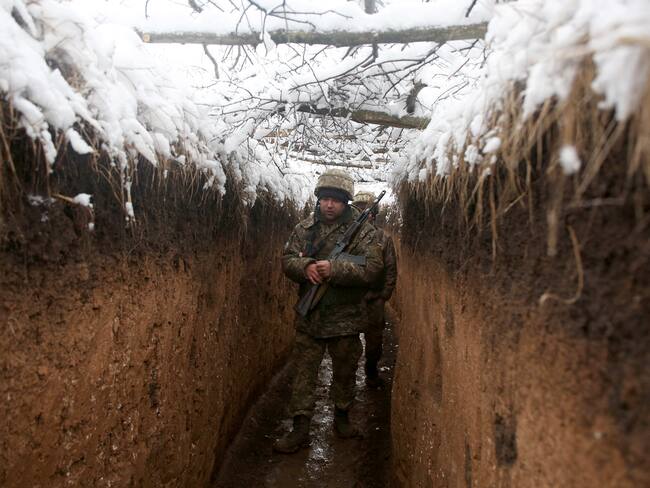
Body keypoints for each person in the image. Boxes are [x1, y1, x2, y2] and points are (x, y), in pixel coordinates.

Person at [274, 169, 383, 454]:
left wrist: (335, 269)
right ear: (318, 199)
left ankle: (342, 418)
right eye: (325, 198)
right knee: (304, 373)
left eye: (336, 199)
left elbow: (372, 269)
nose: (330, 204)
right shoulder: (304, 229)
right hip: (310, 318)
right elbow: (287, 259)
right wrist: (305, 267)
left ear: (346, 202)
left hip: (346, 321)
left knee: (345, 372)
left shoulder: (365, 233)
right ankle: (300, 427)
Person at [352, 191, 397, 388]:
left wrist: (383, 296)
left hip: (374, 299)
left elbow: (390, 269)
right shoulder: (349, 236)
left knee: (374, 343)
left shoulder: (383, 239)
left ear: (374, 214)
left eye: (368, 210)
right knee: (347, 343)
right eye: (360, 209)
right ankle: (346, 380)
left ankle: (371, 373)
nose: (364, 213)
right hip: (351, 299)